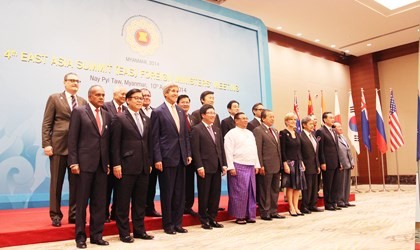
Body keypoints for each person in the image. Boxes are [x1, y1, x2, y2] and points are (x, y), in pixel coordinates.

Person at [68, 85, 112, 248]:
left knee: (99, 203)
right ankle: (80, 236)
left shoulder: (107, 115)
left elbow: (106, 141)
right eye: (98, 95)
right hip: (84, 165)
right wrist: (74, 162)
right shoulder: (79, 112)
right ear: (90, 96)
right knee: (81, 203)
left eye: (103, 95)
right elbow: (72, 139)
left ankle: (97, 235)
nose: (101, 97)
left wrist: (107, 163)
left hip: (101, 166)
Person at [42, 72, 87, 227]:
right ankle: (55, 215)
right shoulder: (55, 98)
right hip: (58, 147)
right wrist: (46, 143)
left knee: (76, 184)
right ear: (64, 82)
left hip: (77, 150)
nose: (75, 83)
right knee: (56, 183)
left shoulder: (82, 101)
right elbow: (47, 123)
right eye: (72, 80)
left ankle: (74, 215)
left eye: (77, 81)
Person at [110, 89, 154, 243]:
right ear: (127, 100)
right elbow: (114, 144)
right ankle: (124, 233)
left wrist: (149, 162)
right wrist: (116, 164)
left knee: (140, 201)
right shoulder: (119, 118)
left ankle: (139, 230)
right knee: (122, 202)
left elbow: (148, 143)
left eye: (141, 98)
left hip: (143, 166)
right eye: (136, 98)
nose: (139, 100)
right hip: (126, 165)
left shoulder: (146, 118)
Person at [151, 84, 192, 235]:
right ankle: (168, 224)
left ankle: (177, 223)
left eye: (177, 91)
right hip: (166, 158)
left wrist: (188, 153)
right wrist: (157, 158)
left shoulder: (181, 111)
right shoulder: (158, 111)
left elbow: (185, 135)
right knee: (167, 193)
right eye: (173, 91)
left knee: (179, 193)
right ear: (165, 94)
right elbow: (155, 138)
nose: (176, 94)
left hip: (181, 157)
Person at [191, 104, 227, 229]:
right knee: (204, 194)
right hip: (204, 167)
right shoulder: (197, 129)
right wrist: (199, 166)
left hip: (216, 167)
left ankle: (212, 218)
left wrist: (224, 164)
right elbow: (195, 150)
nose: (213, 115)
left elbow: (221, 149)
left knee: (215, 195)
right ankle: (204, 219)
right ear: (203, 115)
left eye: (214, 112)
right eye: (210, 113)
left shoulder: (217, 129)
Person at [224, 112, 260, 224]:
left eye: (246, 118)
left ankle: (250, 215)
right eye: (243, 118)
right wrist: (231, 167)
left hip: (250, 165)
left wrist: (257, 164)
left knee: (251, 191)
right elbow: (228, 151)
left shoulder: (250, 133)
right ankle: (240, 216)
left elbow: (255, 150)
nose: (245, 120)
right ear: (236, 121)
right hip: (237, 165)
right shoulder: (231, 134)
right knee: (239, 192)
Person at [253, 109, 285, 220]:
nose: (273, 119)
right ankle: (265, 212)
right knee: (265, 190)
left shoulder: (275, 131)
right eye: (270, 117)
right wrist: (260, 164)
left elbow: (278, 149)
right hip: (265, 165)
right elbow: (258, 149)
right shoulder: (258, 130)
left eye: (273, 116)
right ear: (263, 118)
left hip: (276, 165)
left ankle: (273, 211)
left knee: (275, 190)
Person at [102, 85, 127, 222]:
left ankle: (115, 213)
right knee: (106, 187)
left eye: (125, 94)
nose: (123, 96)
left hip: (122, 155)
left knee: (120, 188)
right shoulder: (106, 107)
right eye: (121, 94)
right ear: (114, 94)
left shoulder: (127, 110)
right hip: (108, 152)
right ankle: (104, 214)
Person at [280, 112, 306, 217]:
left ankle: (296, 206)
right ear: (286, 121)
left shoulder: (297, 133)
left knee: (298, 186)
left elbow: (299, 150)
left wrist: (302, 162)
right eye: (291, 119)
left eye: (295, 120)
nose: (293, 121)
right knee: (290, 186)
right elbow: (283, 151)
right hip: (289, 162)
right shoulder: (283, 133)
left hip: (298, 162)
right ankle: (291, 207)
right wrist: (285, 164)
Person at [140, 88, 161, 217]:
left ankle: (150, 208)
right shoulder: (133, 112)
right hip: (138, 154)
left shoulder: (156, 112)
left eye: (148, 95)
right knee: (140, 185)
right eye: (144, 95)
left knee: (152, 183)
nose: (146, 97)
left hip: (153, 154)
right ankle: (140, 209)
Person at [177, 94, 198, 217]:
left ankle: (188, 206)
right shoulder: (177, 117)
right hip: (181, 155)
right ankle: (180, 206)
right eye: (183, 102)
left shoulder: (193, 118)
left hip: (192, 155)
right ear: (178, 104)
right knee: (181, 183)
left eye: (187, 102)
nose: (185, 104)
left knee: (190, 182)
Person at [316, 112, 341, 211]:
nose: (332, 119)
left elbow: (336, 148)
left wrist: (339, 162)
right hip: (327, 162)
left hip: (335, 161)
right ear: (324, 119)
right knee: (328, 184)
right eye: (330, 118)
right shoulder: (321, 131)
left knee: (335, 183)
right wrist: (322, 162)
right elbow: (320, 149)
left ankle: (334, 202)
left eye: (333, 117)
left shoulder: (333, 131)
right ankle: (328, 203)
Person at [299, 116, 323, 214]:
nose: (312, 126)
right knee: (307, 187)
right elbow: (299, 151)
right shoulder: (300, 136)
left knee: (314, 186)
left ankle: (313, 204)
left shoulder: (313, 135)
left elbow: (315, 152)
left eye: (313, 124)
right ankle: (305, 206)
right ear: (304, 125)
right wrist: (301, 163)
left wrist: (318, 165)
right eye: (310, 124)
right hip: (306, 164)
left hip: (314, 164)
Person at [333, 122, 355, 208]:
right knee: (341, 183)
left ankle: (346, 200)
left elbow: (348, 151)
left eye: (341, 126)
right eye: (339, 127)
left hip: (348, 163)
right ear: (334, 129)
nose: (341, 128)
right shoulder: (335, 138)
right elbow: (337, 152)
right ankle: (340, 200)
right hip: (341, 164)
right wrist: (339, 163)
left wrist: (351, 162)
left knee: (347, 183)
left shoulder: (343, 137)